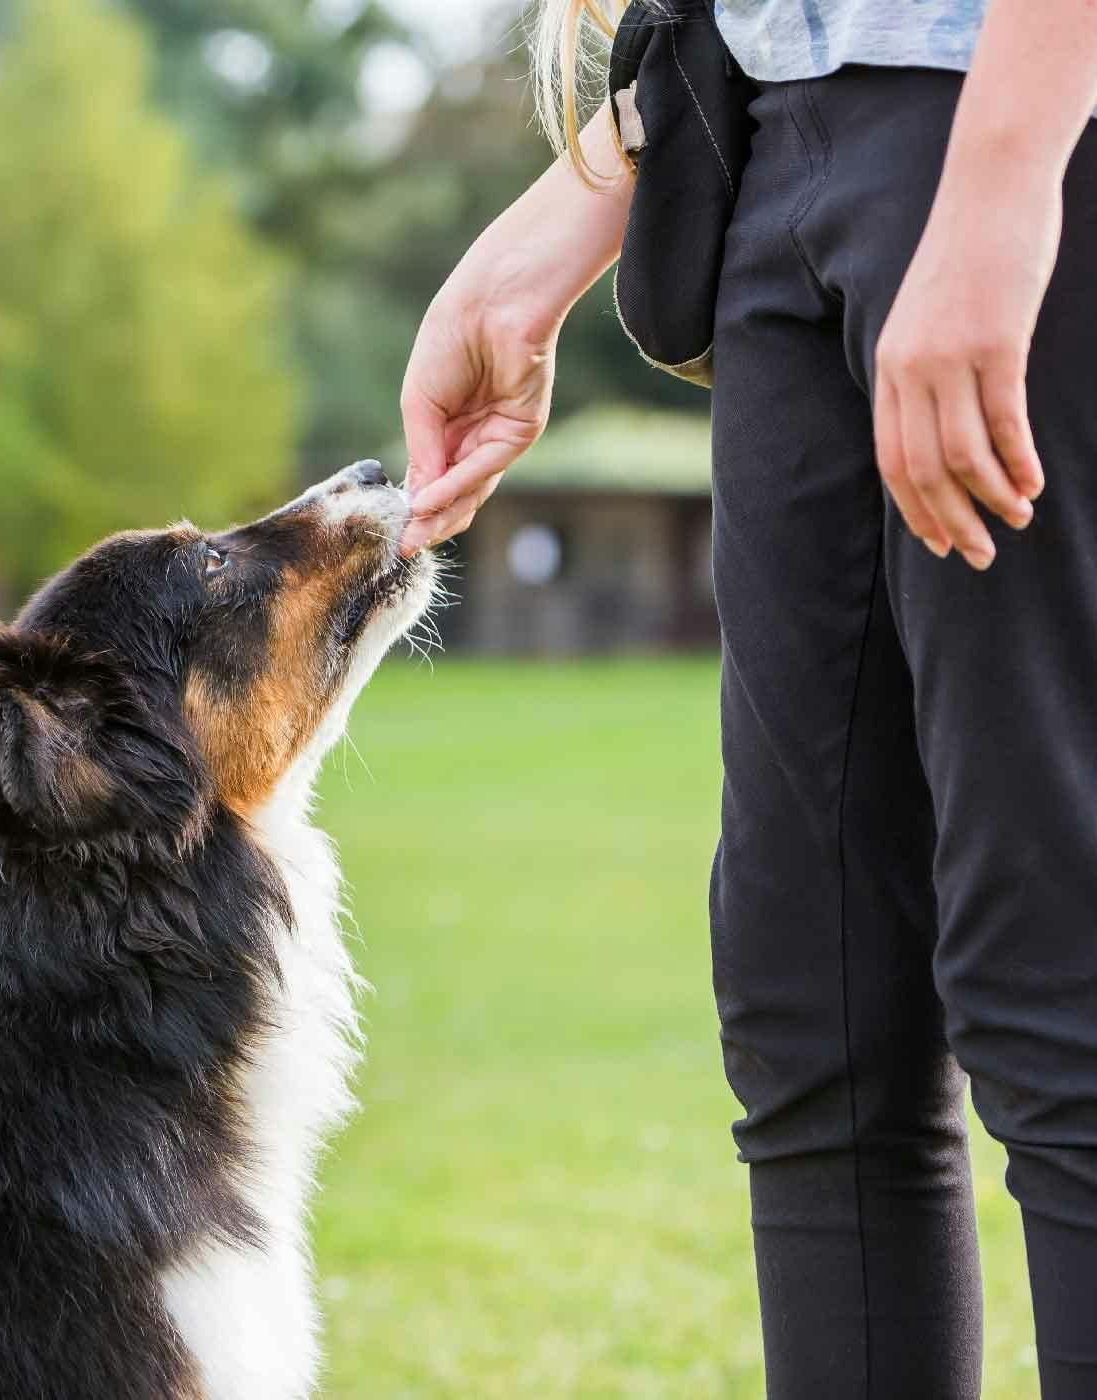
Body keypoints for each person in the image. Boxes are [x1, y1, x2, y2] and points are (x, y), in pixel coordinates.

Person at [397, 1, 1097, 1395]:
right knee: (811, 1006)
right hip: (780, 157)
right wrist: (575, 206)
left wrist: (1007, 183)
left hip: (1021, 129)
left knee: (1060, 981)